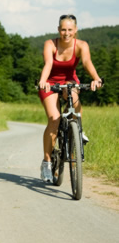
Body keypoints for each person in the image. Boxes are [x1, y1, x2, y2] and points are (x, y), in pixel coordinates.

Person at [38, 14, 102, 183]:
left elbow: (87, 62)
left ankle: (76, 129)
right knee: (54, 119)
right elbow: (48, 64)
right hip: (50, 83)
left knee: (74, 97)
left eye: (70, 30)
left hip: (69, 81)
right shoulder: (50, 44)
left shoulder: (81, 45)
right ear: (58, 29)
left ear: (76, 30)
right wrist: (43, 81)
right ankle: (46, 162)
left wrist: (96, 78)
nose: (66, 33)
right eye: (63, 29)